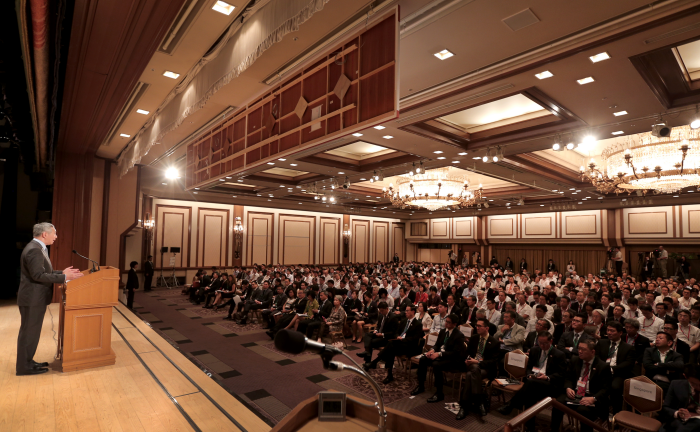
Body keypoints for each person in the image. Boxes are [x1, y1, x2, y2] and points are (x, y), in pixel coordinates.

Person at [17, 223, 83, 376]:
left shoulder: (37, 248)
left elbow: (45, 272)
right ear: (45, 234)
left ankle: (28, 361)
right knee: (29, 333)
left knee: (31, 332)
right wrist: (65, 277)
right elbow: (38, 276)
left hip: (34, 299)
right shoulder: (34, 249)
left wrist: (62, 272)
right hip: (32, 299)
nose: (56, 237)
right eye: (54, 233)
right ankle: (23, 367)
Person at [498, 332, 566, 431]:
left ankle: (511, 404)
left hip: (550, 385)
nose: (542, 345)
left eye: (544, 343)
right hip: (534, 382)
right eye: (540, 343)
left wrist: (546, 377)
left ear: (551, 341)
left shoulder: (559, 354)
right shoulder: (535, 350)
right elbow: (529, 367)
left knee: (529, 384)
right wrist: (530, 374)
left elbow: (561, 374)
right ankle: (530, 427)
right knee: (530, 393)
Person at [551, 339, 612, 432]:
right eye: (579, 348)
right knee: (557, 404)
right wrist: (568, 388)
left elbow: (606, 389)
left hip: (591, 395)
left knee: (583, 411)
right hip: (574, 393)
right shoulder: (575, 360)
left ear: (592, 352)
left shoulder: (603, 366)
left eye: (583, 349)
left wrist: (593, 398)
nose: (579, 351)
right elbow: (568, 378)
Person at [411, 313, 465, 402]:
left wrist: (439, 354)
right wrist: (432, 350)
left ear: (454, 324)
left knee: (436, 364)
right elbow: (437, 345)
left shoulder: (459, 335)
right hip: (441, 355)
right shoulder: (443, 331)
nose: (446, 324)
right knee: (423, 359)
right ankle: (421, 385)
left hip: (452, 359)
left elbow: (455, 353)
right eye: (446, 321)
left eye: (448, 322)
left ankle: (439, 393)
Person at [364, 304, 423, 383]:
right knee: (391, 348)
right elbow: (396, 332)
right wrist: (398, 336)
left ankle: (375, 363)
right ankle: (388, 374)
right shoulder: (404, 321)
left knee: (391, 345)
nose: (405, 312)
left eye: (407, 310)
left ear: (413, 312)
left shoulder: (418, 324)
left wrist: (403, 339)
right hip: (399, 343)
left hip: (409, 346)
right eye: (405, 310)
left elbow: (415, 339)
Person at [456, 318, 499, 420]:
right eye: (477, 326)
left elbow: (493, 361)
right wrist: (468, 359)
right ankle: (479, 401)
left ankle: (464, 406)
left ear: (487, 328)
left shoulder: (494, 342)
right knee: (474, 368)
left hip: (485, 369)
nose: (477, 328)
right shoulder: (474, 338)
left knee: (471, 374)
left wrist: (478, 362)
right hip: (471, 365)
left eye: (480, 326)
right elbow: (466, 353)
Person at [596, 321, 635, 415]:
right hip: (602, 371)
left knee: (615, 388)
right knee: (595, 384)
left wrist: (612, 369)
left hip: (618, 373)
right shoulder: (602, 343)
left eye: (612, 331)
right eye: (608, 330)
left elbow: (628, 363)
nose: (609, 333)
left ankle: (616, 414)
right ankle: (600, 412)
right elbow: (596, 357)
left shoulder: (628, 347)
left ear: (620, 333)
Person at [660, 364, 700, 432]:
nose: (699, 387)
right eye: (694, 384)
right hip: (681, 420)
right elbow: (665, 407)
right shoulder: (676, 385)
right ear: (685, 376)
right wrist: (678, 413)